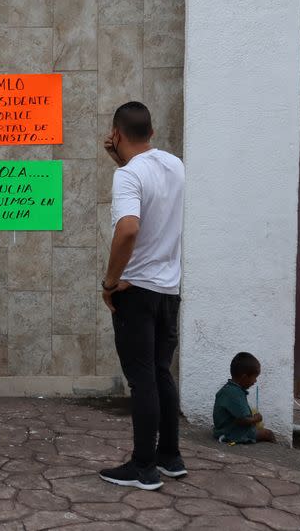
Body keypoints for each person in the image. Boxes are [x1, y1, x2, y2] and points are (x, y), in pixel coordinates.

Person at [98, 102, 186, 491]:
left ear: (116, 133)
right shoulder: (175, 165)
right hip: (169, 290)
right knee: (161, 372)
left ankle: (143, 467)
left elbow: (129, 229)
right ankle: (170, 457)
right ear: (150, 131)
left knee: (143, 380)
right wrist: (122, 161)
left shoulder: (129, 176)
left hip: (136, 292)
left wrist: (110, 281)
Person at [213, 352, 276, 443]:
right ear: (244, 377)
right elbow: (242, 420)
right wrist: (256, 419)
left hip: (221, 430)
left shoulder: (228, 389)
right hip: (233, 434)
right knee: (268, 434)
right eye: (254, 378)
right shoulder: (236, 394)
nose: (255, 381)